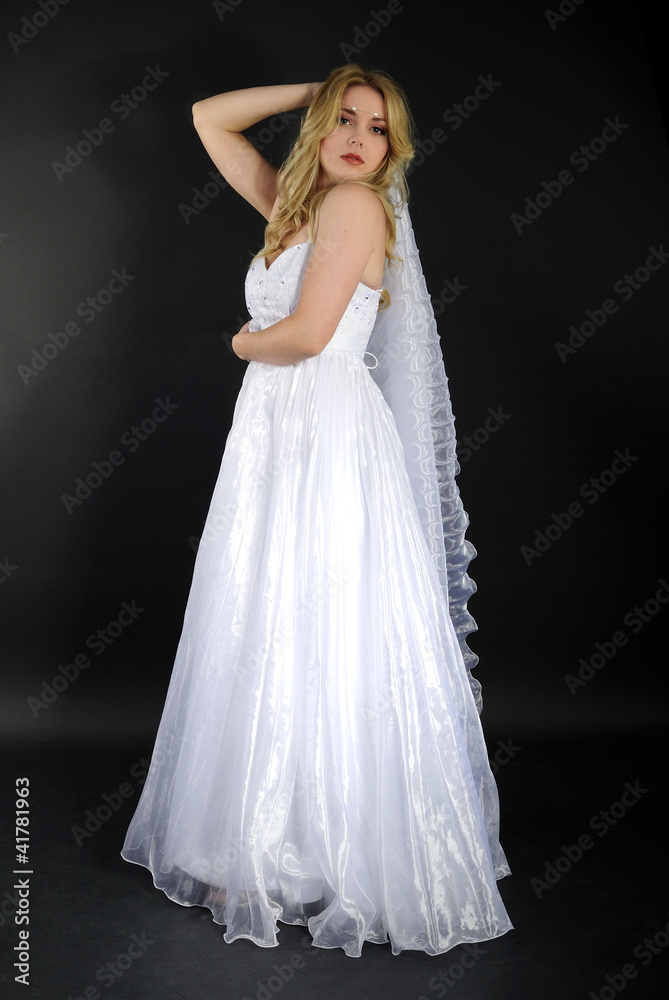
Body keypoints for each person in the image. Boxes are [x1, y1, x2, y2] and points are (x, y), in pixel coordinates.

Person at [121, 64, 513, 958]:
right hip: (279, 432)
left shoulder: (352, 208)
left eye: (377, 128)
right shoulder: (294, 205)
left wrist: (235, 341)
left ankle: (314, 850)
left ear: (391, 153)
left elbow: (301, 336)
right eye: (344, 120)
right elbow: (208, 119)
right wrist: (315, 92)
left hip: (320, 429)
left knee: (309, 620)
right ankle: (258, 843)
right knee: (269, 618)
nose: (357, 137)